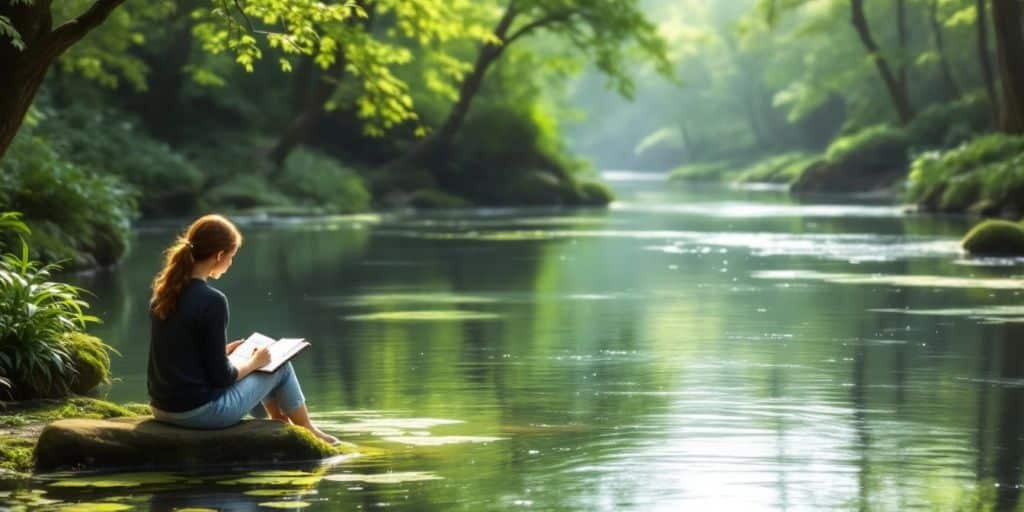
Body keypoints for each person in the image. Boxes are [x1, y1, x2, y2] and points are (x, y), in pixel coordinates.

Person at [146, 214, 339, 445]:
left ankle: (280, 422)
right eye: (232, 256)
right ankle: (307, 429)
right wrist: (254, 362)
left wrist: (223, 352)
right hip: (199, 414)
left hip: (161, 409)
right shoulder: (212, 300)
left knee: (264, 361)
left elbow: (180, 356)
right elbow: (222, 377)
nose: (230, 263)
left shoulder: (164, 295)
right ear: (219, 255)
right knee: (279, 365)